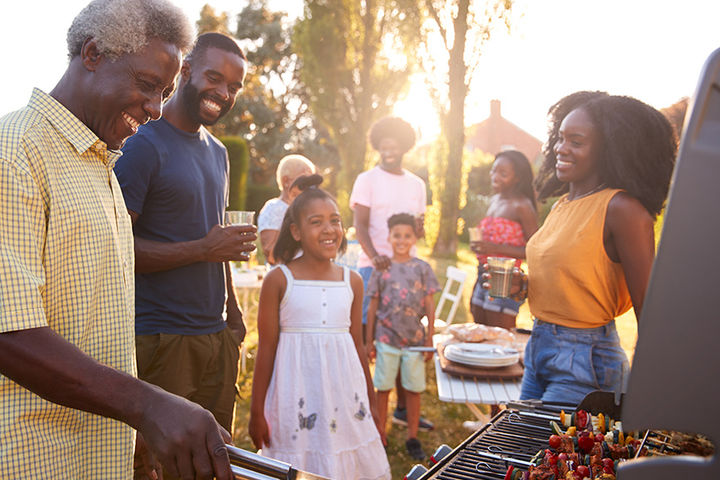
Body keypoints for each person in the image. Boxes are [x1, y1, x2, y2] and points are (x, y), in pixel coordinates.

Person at [0, 1, 236, 479]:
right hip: (37, 456)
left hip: (96, 451)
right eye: (148, 86)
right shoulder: (16, 151)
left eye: (165, 92)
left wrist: (139, 425)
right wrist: (149, 406)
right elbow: (10, 334)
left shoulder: (102, 159)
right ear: (92, 54)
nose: (155, 109)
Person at [113, 32, 255, 475]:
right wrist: (204, 248)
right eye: (215, 78)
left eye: (234, 86)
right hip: (160, 339)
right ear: (187, 71)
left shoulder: (219, 153)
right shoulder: (142, 143)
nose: (223, 93)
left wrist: (232, 315)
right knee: (159, 467)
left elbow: (217, 241)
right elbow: (115, 249)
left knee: (214, 464)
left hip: (216, 340)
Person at [498, 91, 676, 405]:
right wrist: (523, 287)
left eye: (576, 142)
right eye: (560, 138)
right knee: (525, 449)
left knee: (551, 451)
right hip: (538, 348)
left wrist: (651, 388)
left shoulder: (623, 209)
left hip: (586, 363)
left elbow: (650, 309)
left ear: (608, 150)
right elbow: (576, 281)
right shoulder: (562, 206)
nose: (560, 149)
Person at [249, 174, 391, 480]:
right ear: (296, 232)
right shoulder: (279, 280)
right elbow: (267, 349)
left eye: (335, 221)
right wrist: (256, 411)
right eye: (317, 222)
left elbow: (358, 346)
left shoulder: (352, 281)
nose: (329, 229)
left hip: (345, 396)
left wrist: (372, 404)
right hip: (294, 396)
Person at [350, 115, 434, 432]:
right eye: (383, 143)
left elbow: (416, 229)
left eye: (394, 143)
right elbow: (359, 224)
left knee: (405, 337)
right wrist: (376, 256)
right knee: (368, 338)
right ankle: (364, 409)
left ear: (404, 145)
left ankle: (401, 409)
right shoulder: (367, 179)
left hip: (406, 273)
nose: (389, 148)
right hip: (373, 268)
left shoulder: (417, 185)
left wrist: (418, 233)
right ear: (378, 144)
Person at [365, 213, 439, 460]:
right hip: (386, 338)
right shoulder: (382, 268)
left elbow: (429, 303)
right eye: (397, 235)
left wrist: (429, 338)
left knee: (413, 389)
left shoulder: (422, 268)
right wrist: (369, 340)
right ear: (389, 236)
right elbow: (372, 305)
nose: (401, 240)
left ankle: (412, 437)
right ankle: (379, 434)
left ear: (414, 237)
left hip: (415, 341)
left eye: (407, 235)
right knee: (383, 387)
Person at [469, 150, 538, 330]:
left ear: (517, 178)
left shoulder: (522, 206)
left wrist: (492, 247)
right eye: (494, 171)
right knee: (478, 330)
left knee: (497, 337)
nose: (495, 176)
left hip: (506, 279)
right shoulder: (495, 200)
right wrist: (478, 245)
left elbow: (534, 251)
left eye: (503, 173)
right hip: (482, 273)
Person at [257, 154, 316, 265]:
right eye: (304, 181)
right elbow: (271, 254)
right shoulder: (273, 208)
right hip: (286, 277)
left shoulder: (310, 209)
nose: (310, 188)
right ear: (286, 181)